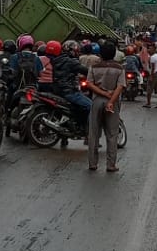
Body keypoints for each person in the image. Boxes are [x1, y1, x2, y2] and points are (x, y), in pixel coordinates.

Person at [85, 41, 126, 172]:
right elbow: (120, 87)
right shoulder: (119, 68)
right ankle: (111, 165)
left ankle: (92, 163)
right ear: (114, 54)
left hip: (97, 100)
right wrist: (110, 101)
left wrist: (102, 93)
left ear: (100, 54)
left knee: (93, 133)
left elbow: (89, 84)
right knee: (112, 134)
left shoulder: (94, 67)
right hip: (112, 102)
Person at [51, 40, 91, 126]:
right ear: (71, 51)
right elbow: (85, 71)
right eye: (76, 51)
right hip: (69, 91)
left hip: (57, 90)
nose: (77, 53)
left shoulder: (57, 60)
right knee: (90, 105)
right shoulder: (71, 62)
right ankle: (82, 127)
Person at [143, 44, 157, 108]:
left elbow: (152, 67)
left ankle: (148, 103)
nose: (149, 50)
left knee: (149, 88)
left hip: (154, 74)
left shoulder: (152, 57)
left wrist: (151, 76)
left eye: (150, 49)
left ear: (154, 50)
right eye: (149, 48)